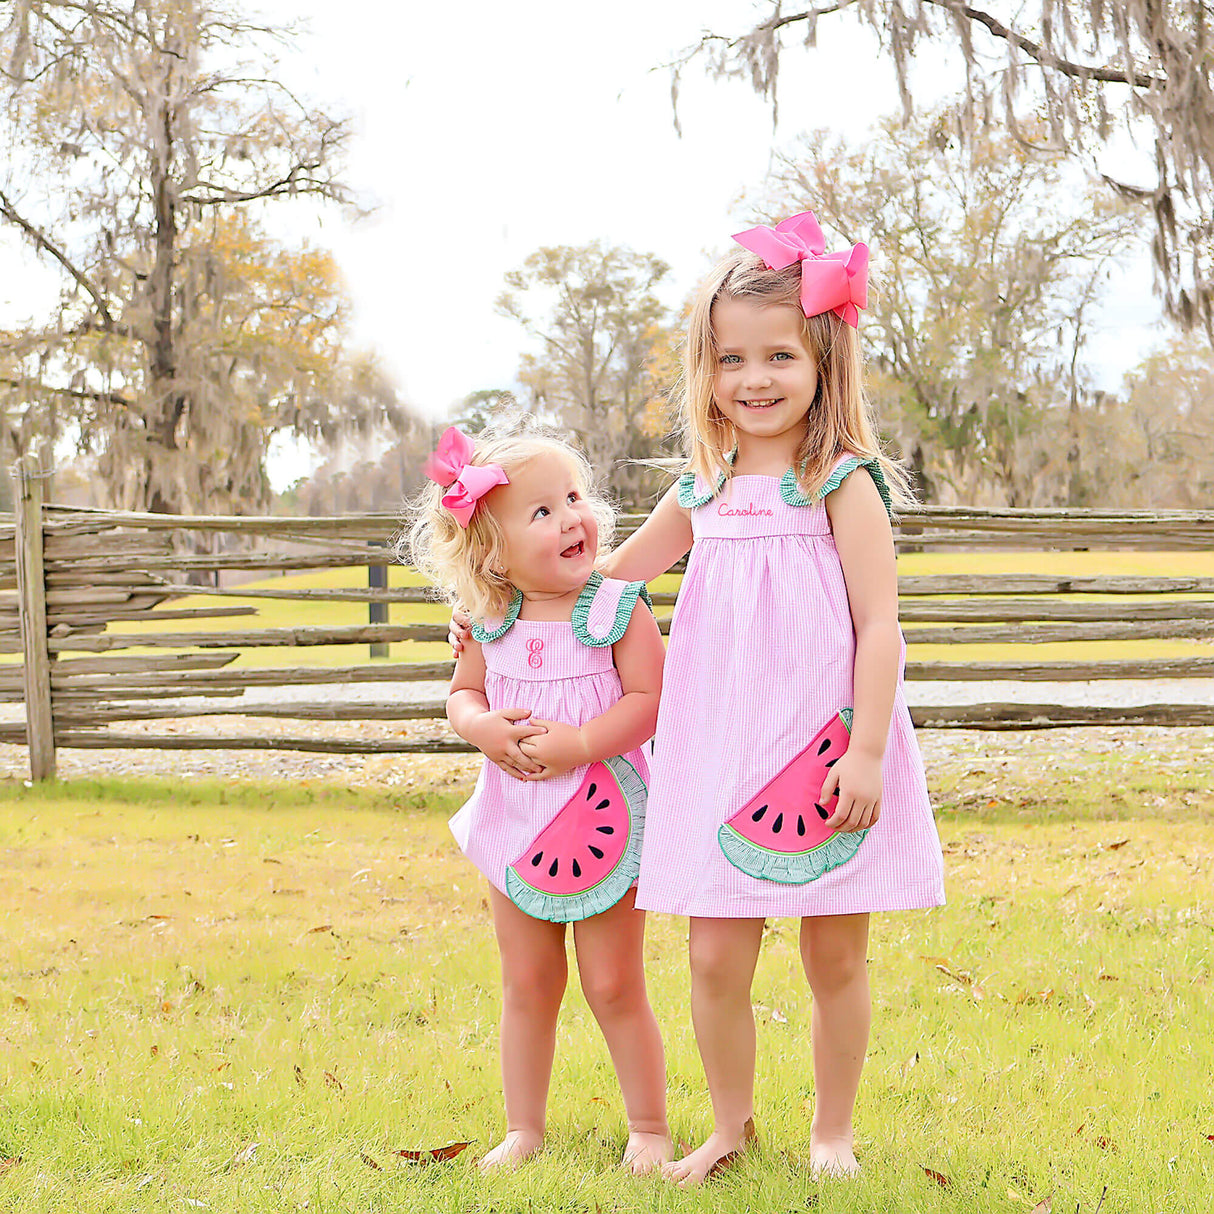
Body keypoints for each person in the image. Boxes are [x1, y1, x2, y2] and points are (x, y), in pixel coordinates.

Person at [453, 212, 945, 1184]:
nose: (753, 379)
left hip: (827, 741)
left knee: (834, 959)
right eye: (730, 359)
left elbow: (881, 625)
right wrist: (493, 610)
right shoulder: (703, 485)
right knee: (714, 961)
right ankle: (728, 1125)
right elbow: (607, 580)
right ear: (705, 368)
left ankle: (832, 1134)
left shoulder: (841, 483)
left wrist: (867, 753)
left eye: (778, 356)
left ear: (824, 360)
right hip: (721, 750)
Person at [409, 419, 673, 1174]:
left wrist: (583, 743)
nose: (571, 518)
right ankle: (523, 1128)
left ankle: (649, 1127)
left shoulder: (617, 608)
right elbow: (462, 695)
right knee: (527, 983)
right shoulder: (487, 620)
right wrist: (481, 727)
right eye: (543, 511)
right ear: (491, 550)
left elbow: (651, 700)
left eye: (575, 497)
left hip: (608, 820)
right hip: (515, 821)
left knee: (613, 982)